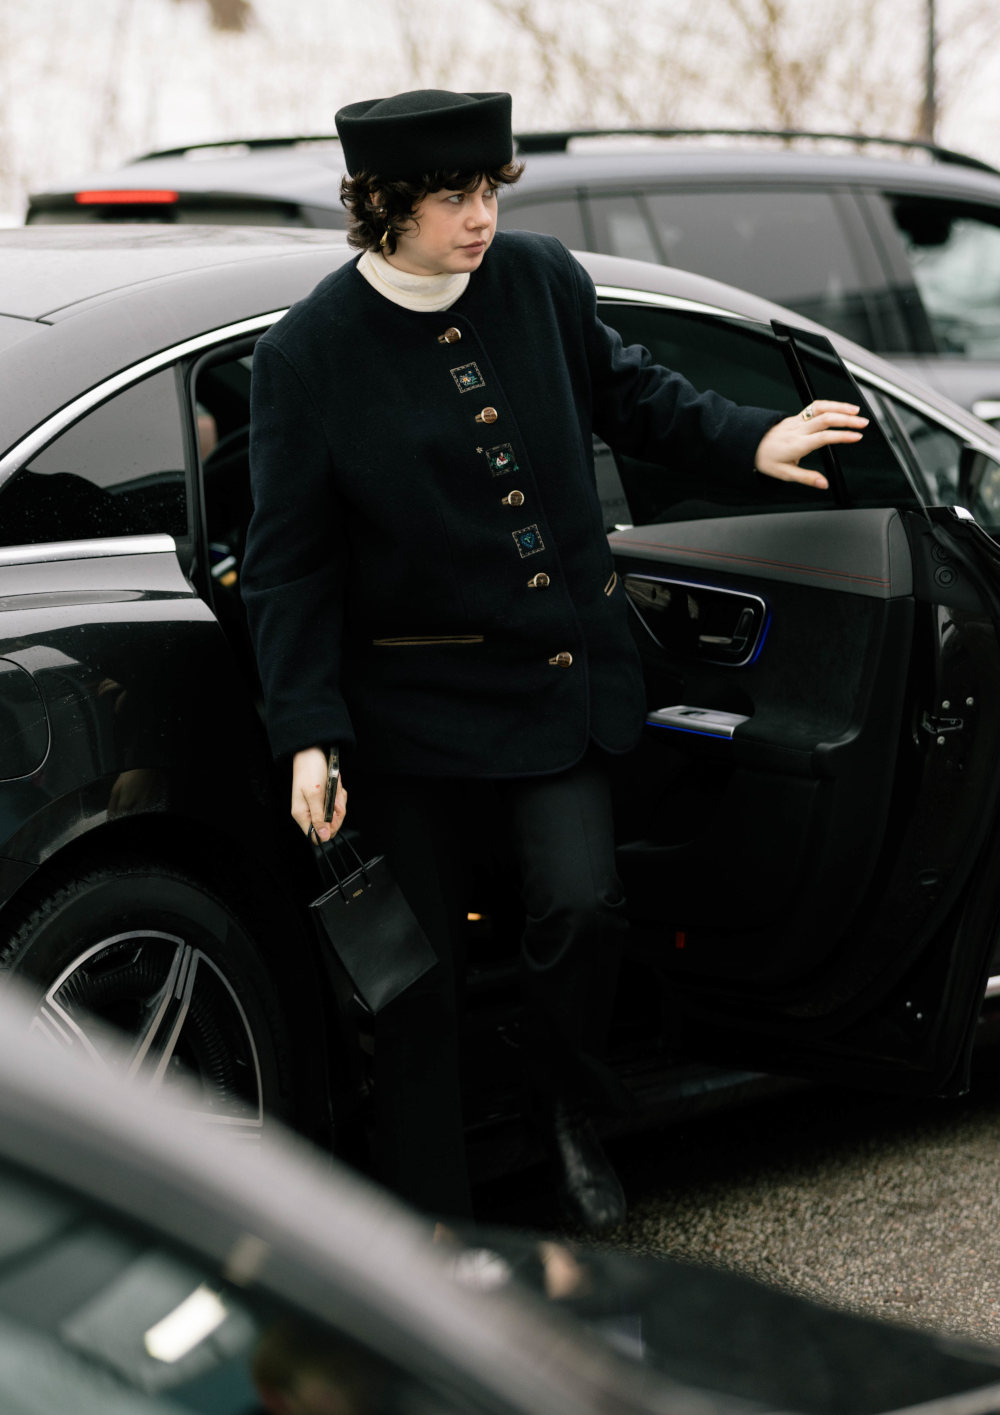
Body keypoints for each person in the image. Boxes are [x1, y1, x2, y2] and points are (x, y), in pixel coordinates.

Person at [241, 89, 866, 1229]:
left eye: (489, 190)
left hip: (556, 685)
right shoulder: (307, 360)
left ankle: (561, 1099)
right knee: (414, 987)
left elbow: (637, 396)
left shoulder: (539, 282)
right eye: (450, 197)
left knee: (582, 910)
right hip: (410, 714)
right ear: (381, 206)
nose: (479, 217)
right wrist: (308, 732)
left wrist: (748, 437)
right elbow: (287, 568)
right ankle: (430, 1228)